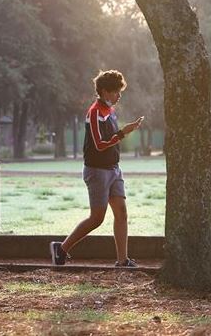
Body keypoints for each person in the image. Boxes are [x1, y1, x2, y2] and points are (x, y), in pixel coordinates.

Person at [51, 70, 144, 267]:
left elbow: (111, 140)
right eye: (116, 91)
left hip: (114, 169)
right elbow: (99, 144)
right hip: (97, 171)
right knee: (97, 218)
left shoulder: (110, 111)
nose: (119, 95)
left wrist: (123, 132)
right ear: (104, 91)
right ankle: (61, 249)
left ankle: (122, 261)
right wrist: (123, 133)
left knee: (121, 213)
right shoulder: (94, 113)